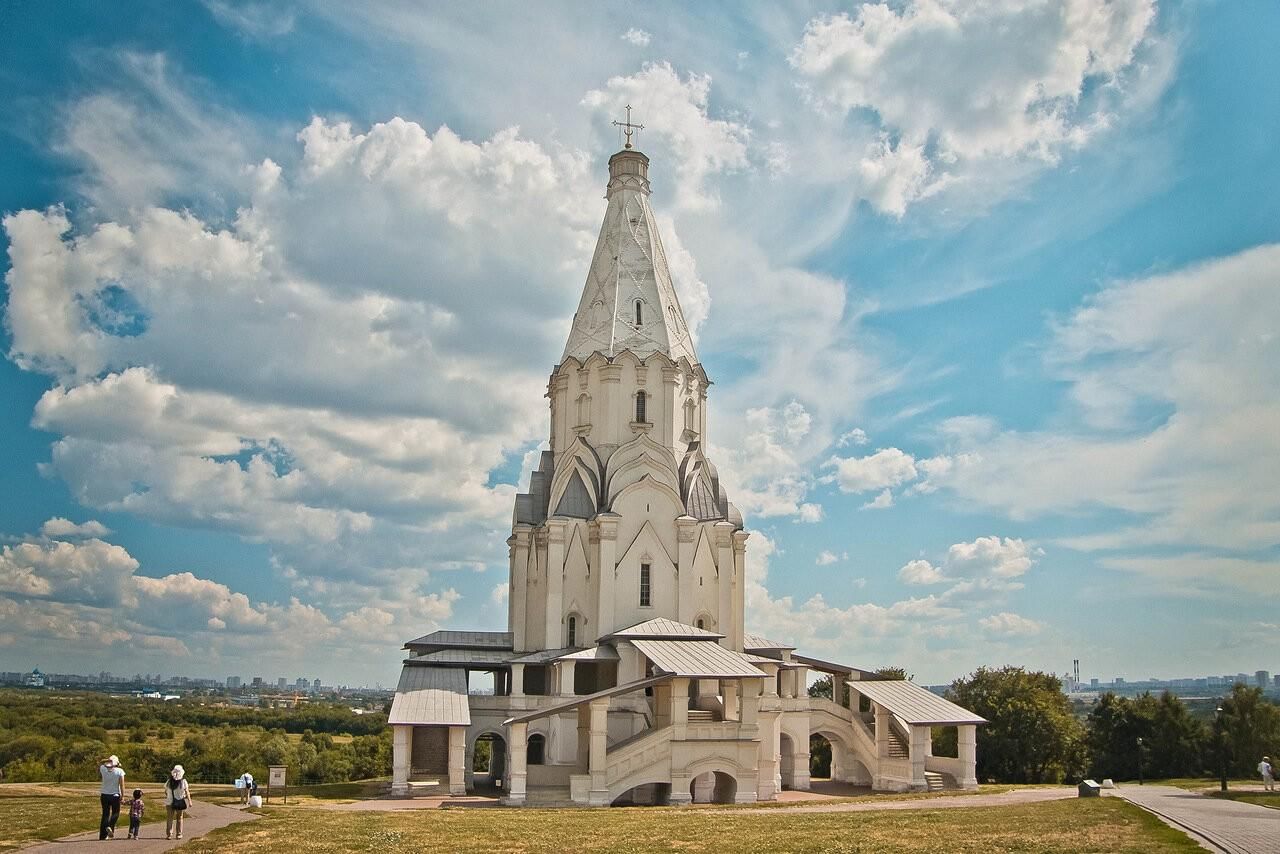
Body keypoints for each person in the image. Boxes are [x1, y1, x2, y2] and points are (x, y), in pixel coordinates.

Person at [98, 755, 125, 840]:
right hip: (115, 795)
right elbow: (122, 784)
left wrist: (107, 761)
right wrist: (123, 795)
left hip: (104, 795)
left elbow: (101, 762)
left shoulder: (103, 769)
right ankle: (110, 826)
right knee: (115, 813)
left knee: (105, 815)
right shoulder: (120, 771)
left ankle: (103, 835)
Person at [164, 764, 191, 840]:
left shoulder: (168, 781)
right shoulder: (183, 782)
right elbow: (187, 792)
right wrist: (189, 801)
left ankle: (169, 834)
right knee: (179, 818)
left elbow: (165, 792)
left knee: (169, 818)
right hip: (179, 802)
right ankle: (179, 834)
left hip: (169, 802)